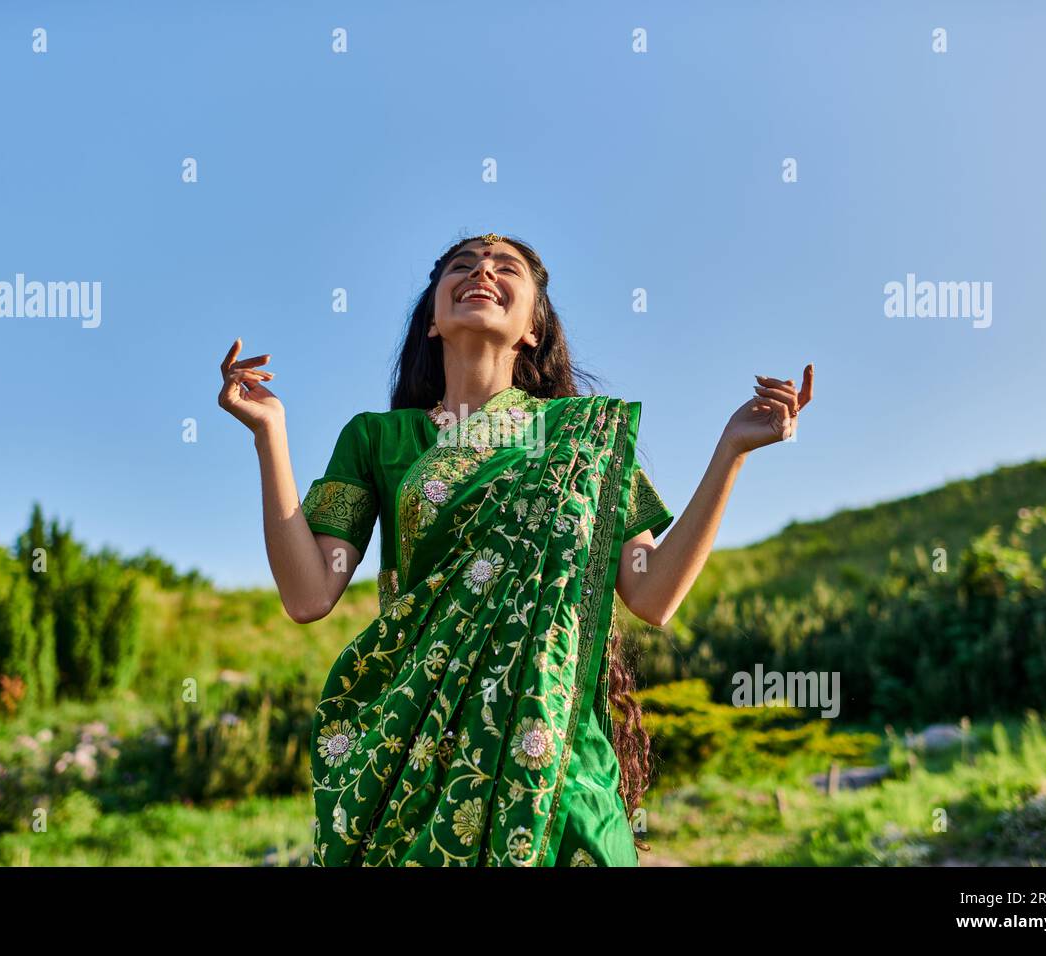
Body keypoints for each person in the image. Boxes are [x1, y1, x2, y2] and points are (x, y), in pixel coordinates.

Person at [218, 232, 814, 866]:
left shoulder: (583, 443)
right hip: (417, 757)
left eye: (507, 268)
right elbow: (309, 595)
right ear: (431, 321)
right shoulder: (378, 440)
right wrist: (269, 436)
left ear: (533, 326)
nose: (482, 272)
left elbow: (653, 594)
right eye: (462, 266)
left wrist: (731, 451)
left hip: (558, 759)